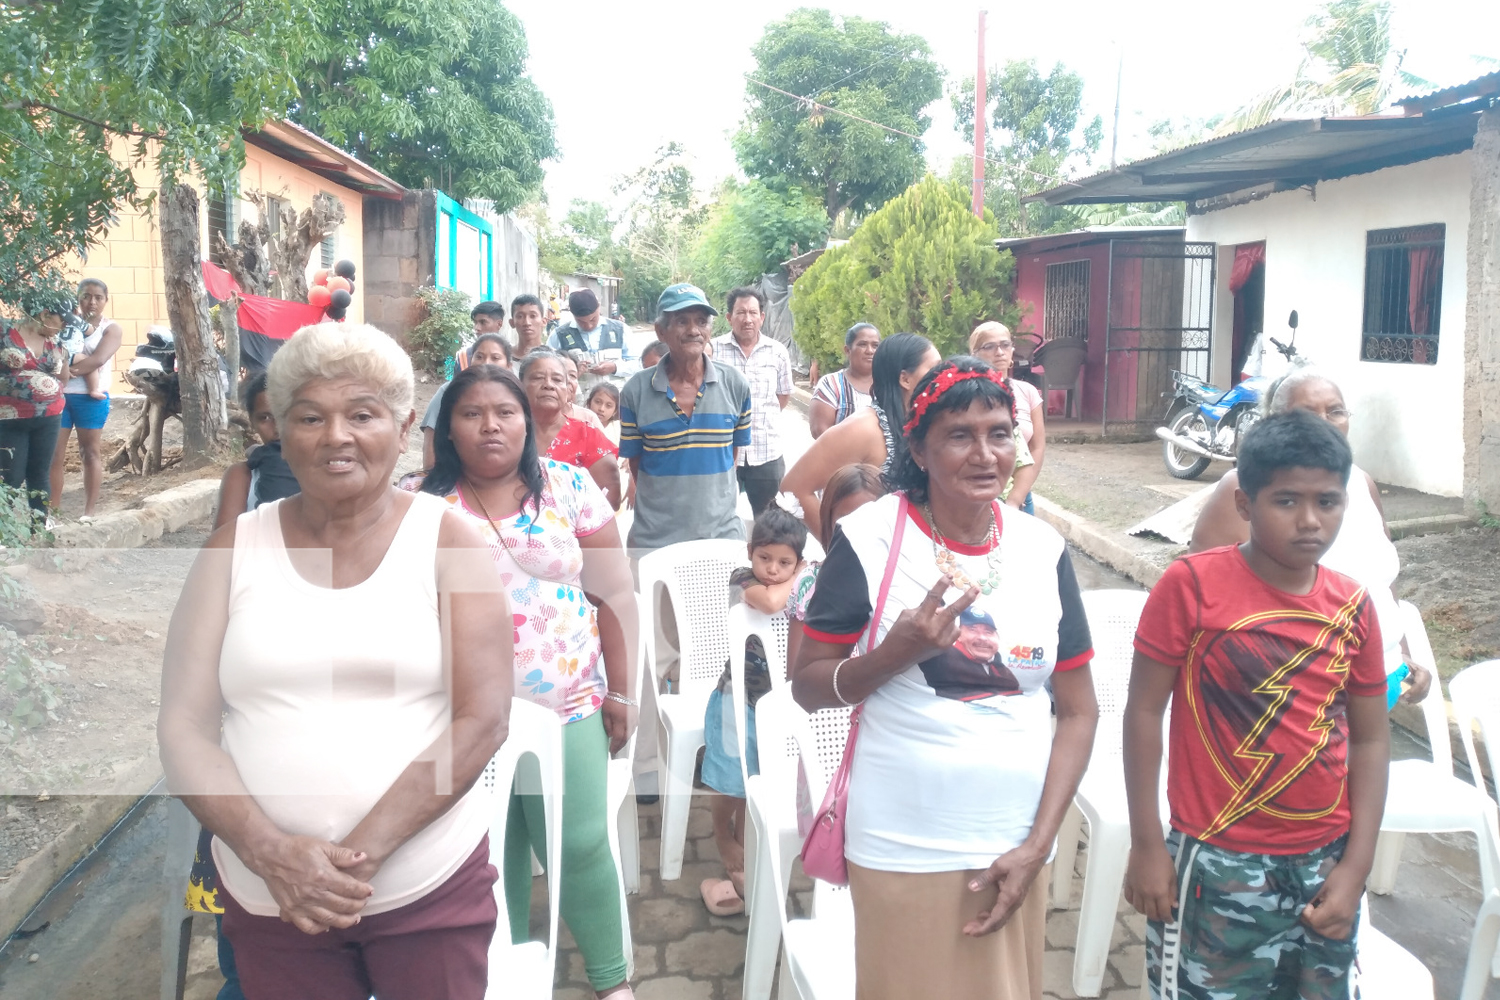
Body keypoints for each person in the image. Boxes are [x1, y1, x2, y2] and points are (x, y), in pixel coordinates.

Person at [158, 322, 513, 998]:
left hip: (425, 892)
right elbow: (182, 727)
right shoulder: (232, 551)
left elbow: (481, 721)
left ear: (405, 424)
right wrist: (270, 852)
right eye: (311, 417)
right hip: (273, 898)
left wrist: (350, 860)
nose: (336, 436)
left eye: (362, 414)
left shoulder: (451, 543)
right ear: (279, 430)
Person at [792, 357, 1097, 1000]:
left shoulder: (1043, 549)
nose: (985, 454)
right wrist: (890, 656)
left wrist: (1041, 843)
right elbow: (808, 684)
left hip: (1016, 840)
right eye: (960, 435)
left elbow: (1077, 710)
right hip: (904, 838)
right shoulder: (870, 538)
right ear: (919, 449)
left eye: (1000, 432)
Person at [1123, 410, 1391, 1000]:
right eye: (1287, 501)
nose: (1310, 521)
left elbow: (1371, 739)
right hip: (1216, 861)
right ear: (1245, 504)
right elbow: (1143, 712)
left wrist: (1356, 868)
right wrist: (1146, 844)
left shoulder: (1353, 607)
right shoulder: (1190, 587)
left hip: (1325, 860)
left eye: (1328, 501)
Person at [419, 363, 640, 999]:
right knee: (490, 851)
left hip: (569, 704)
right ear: (448, 431)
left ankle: (611, 981)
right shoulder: (420, 504)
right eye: (471, 414)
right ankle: (505, 974)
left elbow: (615, 594)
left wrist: (621, 692)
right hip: (458, 715)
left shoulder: (569, 487)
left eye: (504, 411)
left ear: (526, 423)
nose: (490, 425)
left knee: (579, 843)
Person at [1187, 369, 1433, 709]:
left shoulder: (1362, 484)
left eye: (1335, 411)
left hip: (1382, 680)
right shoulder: (1240, 488)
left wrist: (1404, 653)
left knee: (1365, 760)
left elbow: (1381, 581)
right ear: (1276, 421)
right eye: (1307, 413)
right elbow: (1203, 599)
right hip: (1294, 694)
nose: (1325, 423)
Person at [699, 506, 808, 917]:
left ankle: (747, 854)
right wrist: (802, 573)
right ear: (750, 553)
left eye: (785, 563)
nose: (774, 570)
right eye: (766, 559)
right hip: (736, 701)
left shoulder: (797, 579)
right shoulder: (742, 581)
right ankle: (723, 840)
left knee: (756, 781)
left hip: (776, 707)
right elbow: (773, 601)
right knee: (728, 782)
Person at [618, 284, 751, 552]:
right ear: (661, 331)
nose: (694, 331)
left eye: (702, 322)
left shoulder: (735, 384)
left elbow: (732, 455)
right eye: (682, 321)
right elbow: (637, 464)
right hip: (654, 540)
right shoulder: (636, 391)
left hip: (721, 537)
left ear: (711, 329)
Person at [781, 332, 939, 544]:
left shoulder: (924, 424)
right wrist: (839, 549)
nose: (942, 376)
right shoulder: (865, 429)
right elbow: (793, 489)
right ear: (905, 379)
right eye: (934, 370)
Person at [710, 287, 793, 516]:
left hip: (766, 452)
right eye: (741, 312)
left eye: (753, 313)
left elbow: (782, 396)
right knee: (717, 517)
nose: (748, 319)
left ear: (762, 317)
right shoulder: (712, 351)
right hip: (722, 453)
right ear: (729, 318)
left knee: (770, 520)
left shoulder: (777, 352)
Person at [47, 279, 122, 520]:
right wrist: (62, 372)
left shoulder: (111, 328)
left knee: (89, 452)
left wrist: (67, 372)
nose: (92, 302)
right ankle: (51, 514)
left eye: (98, 297)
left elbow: (99, 359)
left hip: (91, 398)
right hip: (58, 395)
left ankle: (88, 513)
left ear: (105, 300)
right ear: (78, 298)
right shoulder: (63, 320)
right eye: (86, 296)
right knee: (54, 455)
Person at [0, 292, 72, 526]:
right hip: (11, 417)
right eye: (62, 320)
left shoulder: (56, 343)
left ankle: (39, 526)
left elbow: (63, 377)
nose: (64, 327)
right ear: (45, 315)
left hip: (49, 416)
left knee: (40, 473)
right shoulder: (5, 334)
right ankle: (5, 530)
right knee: (10, 475)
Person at [519, 350, 621, 509]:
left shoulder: (588, 436)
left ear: (568, 390)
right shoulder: (506, 433)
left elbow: (610, 502)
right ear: (520, 386)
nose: (548, 385)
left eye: (557, 379)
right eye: (538, 378)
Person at [970, 322, 1045, 514]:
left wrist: (1017, 496)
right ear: (974, 354)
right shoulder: (968, 395)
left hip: (1019, 493)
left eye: (1005, 345)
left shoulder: (1027, 392)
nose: (1000, 352)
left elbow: (1037, 447)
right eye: (989, 346)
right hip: (978, 493)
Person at [214, 371, 299, 529]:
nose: (278, 429)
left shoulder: (330, 469)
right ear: (252, 422)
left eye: (287, 415)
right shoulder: (242, 476)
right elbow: (222, 550)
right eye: (265, 418)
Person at [421, 333, 512, 471]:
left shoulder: (515, 396)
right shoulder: (449, 391)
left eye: (495, 358)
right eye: (479, 357)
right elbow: (431, 446)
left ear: (508, 366)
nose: (486, 363)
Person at [549, 289, 639, 395]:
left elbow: (638, 364)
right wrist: (573, 371)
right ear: (572, 314)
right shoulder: (559, 335)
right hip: (578, 405)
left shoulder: (620, 330)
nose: (588, 325)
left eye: (593, 319)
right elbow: (549, 370)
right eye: (581, 321)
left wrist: (615, 367)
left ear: (599, 307)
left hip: (614, 404)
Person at [810, 322, 880, 439]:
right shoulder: (831, 384)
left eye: (875, 346)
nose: (870, 351)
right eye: (862, 344)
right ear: (847, 350)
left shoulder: (888, 383)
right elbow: (820, 431)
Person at [557, 350, 609, 430]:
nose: (567, 380)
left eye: (572, 375)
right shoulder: (533, 418)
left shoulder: (588, 418)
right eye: (559, 374)